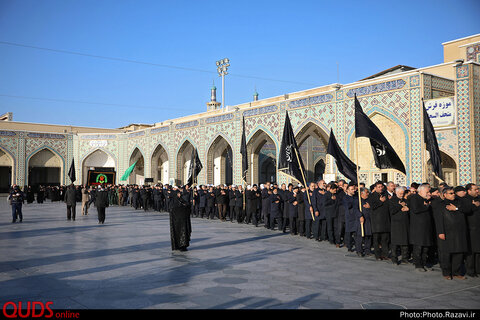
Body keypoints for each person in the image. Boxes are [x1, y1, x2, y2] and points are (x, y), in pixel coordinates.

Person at [436, 187, 468, 280]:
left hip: (459, 231)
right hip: (447, 231)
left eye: (454, 193)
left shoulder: (459, 202)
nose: (453, 194)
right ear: (445, 195)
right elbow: (438, 220)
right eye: (450, 193)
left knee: (458, 253)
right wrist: (441, 232)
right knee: (446, 253)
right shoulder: (440, 205)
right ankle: (446, 272)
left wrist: (456, 208)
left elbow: (467, 209)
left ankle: (456, 272)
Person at [409, 184, 435, 272]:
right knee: (418, 247)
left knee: (426, 247)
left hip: (426, 226)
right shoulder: (414, 198)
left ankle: (424, 263)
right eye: (427, 192)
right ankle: (418, 264)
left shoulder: (427, 199)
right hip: (418, 227)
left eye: (429, 192)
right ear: (420, 191)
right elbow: (416, 209)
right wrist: (426, 206)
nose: (428, 194)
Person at [368, 181, 391, 260]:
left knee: (385, 239)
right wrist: (380, 201)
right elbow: (372, 206)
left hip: (385, 220)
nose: (380, 188)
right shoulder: (371, 196)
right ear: (375, 188)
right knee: (376, 240)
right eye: (379, 187)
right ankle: (377, 255)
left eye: (381, 187)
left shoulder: (386, 195)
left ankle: (385, 254)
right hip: (376, 221)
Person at [389, 186, 410, 265]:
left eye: (402, 193)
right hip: (396, 224)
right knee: (395, 242)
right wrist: (400, 206)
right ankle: (394, 258)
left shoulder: (406, 200)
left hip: (405, 223)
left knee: (405, 242)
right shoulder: (392, 200)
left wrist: (407, 209)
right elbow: (392, 211)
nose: (402, 194)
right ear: (396, 193)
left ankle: (405, 258)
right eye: (400, 193)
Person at [464, 183, 480, 277]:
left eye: (477, 189)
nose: (477, 191)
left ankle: (478, 269)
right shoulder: (465, 200)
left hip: (478, 228)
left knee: (478, 250)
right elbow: (466, 210)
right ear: (469, 191)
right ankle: (470, 270)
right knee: (471, 251)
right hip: (470, 228)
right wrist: (474, 206)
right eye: (475, 189)